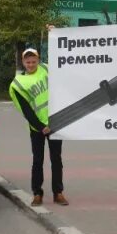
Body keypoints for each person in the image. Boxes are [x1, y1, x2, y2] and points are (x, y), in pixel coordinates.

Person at [9, 48, 68, 207]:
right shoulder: (18, 84)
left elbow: (62, 60)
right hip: (37, 128)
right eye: (28, 62)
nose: (31, 64)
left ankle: (58, 193)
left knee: (56, 159)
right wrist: (41, 126)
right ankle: (37, 193)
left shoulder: (47, 69)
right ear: (23, 62)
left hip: (55, 123)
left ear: (38, 60)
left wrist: (54, 32)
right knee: (37, 161)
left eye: (34, 61)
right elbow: (25, 109)